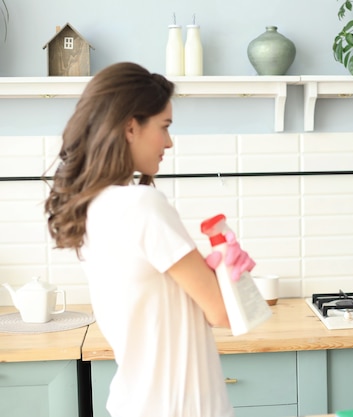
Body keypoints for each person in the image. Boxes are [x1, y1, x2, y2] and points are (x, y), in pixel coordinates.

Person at [44, 62, 253, 417]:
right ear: (130, 127)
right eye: (164, 127)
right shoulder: (142, 204)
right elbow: (223, 313)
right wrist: (235, 277)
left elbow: (169, 307)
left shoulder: (93, 207)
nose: (169, 142)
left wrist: (217, 274)